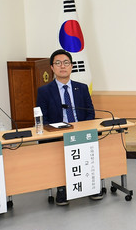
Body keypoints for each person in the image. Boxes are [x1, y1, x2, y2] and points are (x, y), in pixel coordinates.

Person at [36, 49, 100, 205]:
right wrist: (56, 131)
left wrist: (83, 129)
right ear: (52, 68)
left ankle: (92, 184)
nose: (62, 66)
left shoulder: (82, 88)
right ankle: (62, 187)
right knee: (59, 149)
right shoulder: (44, 91)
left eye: (66, 63)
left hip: (81, 131)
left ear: (72, 66)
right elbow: (43, 119)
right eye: (58, 63)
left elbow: (90, 113)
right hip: (58, 135)